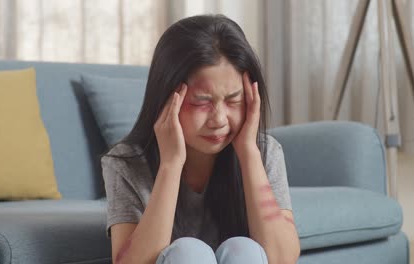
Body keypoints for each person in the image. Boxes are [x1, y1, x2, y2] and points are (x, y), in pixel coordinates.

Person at [101, 14, 300, 264]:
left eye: (233, 100)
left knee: (243, 250)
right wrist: (171, 165)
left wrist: (249, 153)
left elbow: (282, 258)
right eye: (201, 102)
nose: (219, 119)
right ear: (165, 100)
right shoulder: (126, 163)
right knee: (187, 253)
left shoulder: (265, 152)